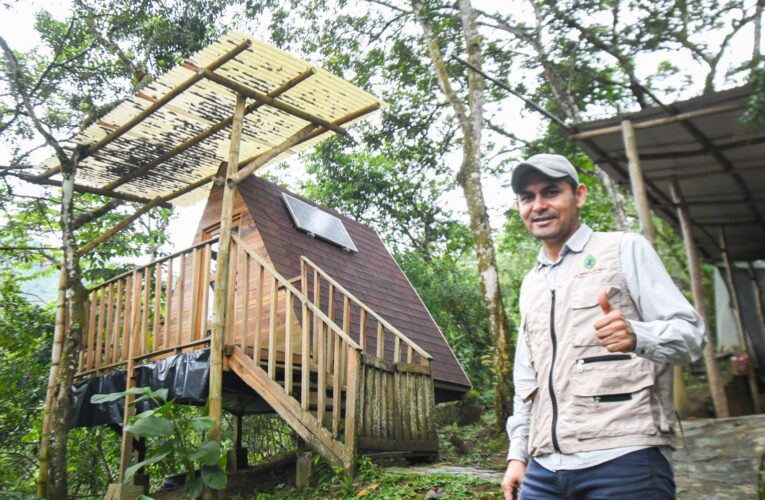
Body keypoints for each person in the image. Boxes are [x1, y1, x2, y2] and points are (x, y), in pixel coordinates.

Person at [501, 153, 705, 500]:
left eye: (551, 192)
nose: (539, 206)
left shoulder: (624, 249)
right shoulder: (530, 283)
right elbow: (527, 380)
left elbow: (691, 335)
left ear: (578, 195)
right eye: (527, 197)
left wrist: (638, 334)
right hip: (544, 470)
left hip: (625, 458)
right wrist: (518, 454)